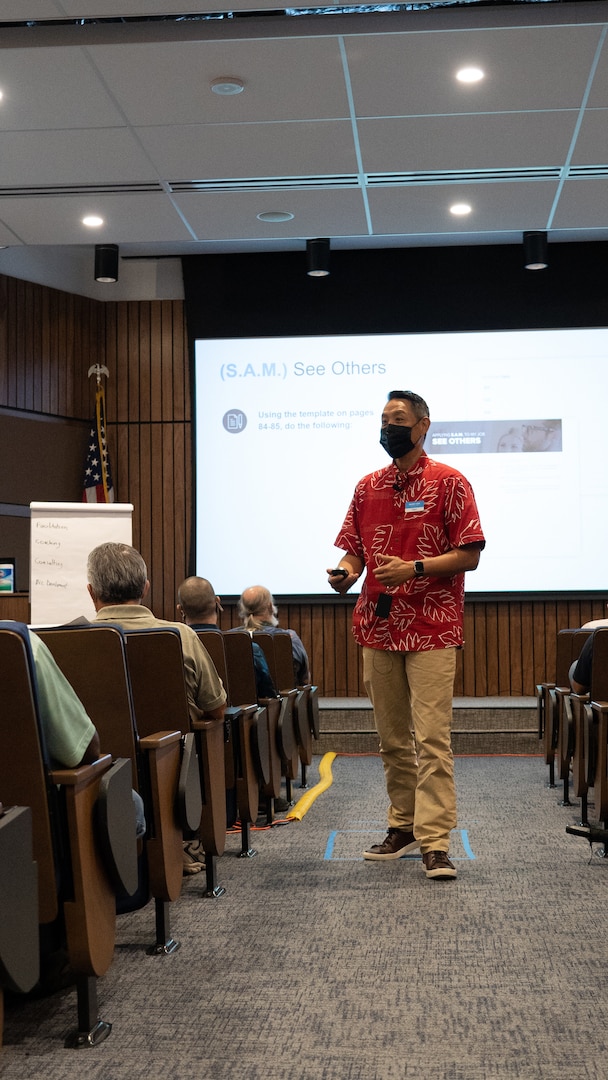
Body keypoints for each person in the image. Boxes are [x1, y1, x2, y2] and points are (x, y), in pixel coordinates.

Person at [327, 390, 485, 881]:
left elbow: (470, 554)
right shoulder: (366, 486)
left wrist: (414, 568)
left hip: (432, 627)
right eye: (382, 419)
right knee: (392, 739)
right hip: (377, 624)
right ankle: (403, 826)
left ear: (422, 426)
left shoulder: (450, 482)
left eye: (397, 419)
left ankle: (436, 843)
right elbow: (354, 548)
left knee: (433, 739)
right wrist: (346, 571)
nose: (387, 426)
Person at [87, 543, 227, 875]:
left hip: (96, 775)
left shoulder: (71, 641)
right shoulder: (179, 635)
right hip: (173, 776)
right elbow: (217, 708)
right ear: (146, 588)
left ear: (91, 592)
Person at [177, 575, 277, 699]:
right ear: (217, 602)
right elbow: (268, 695)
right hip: (240, 718)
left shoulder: (173, 649)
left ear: (180, 609)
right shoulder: (247, 649)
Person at [237, 585, 310, 685]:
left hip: (239, 700)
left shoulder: (229, 638)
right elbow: (304, 678)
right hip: (283, 699)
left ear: (242, 609)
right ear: (270, 606)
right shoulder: (288, 638)